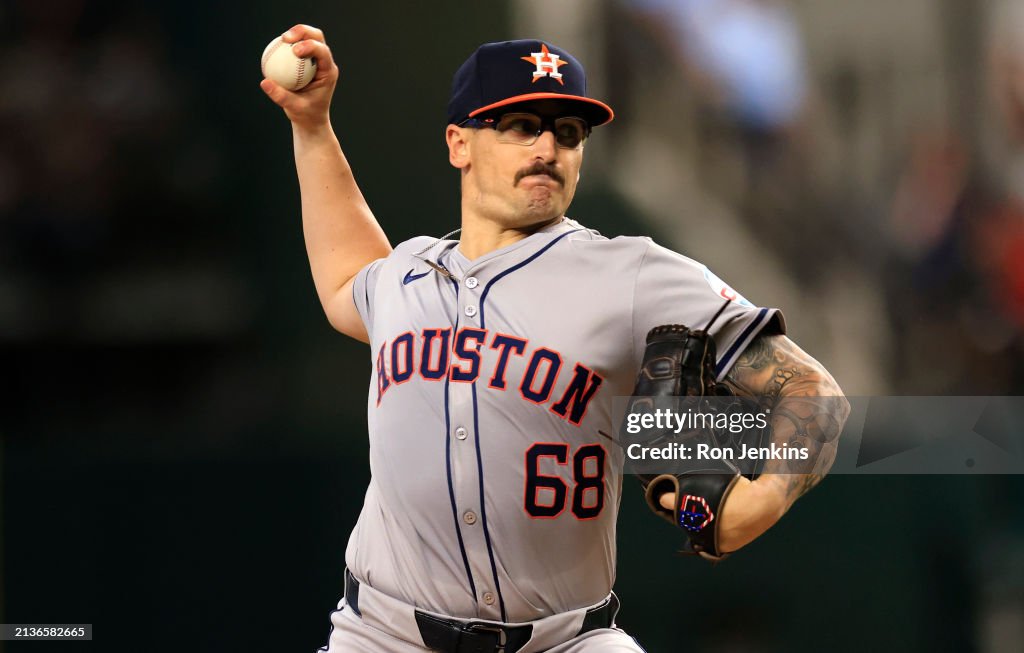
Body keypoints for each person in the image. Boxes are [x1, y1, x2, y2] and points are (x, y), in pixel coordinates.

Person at [261, 24, 850, 653]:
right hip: (382, 636)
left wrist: (755, 504)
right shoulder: (406, 275)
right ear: (459, 143)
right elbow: (347, 276)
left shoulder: (632, 275)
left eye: (568, 133)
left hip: (565, 641)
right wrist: (312, 126)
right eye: (521, 126)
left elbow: (814, 393)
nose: (547, 147)